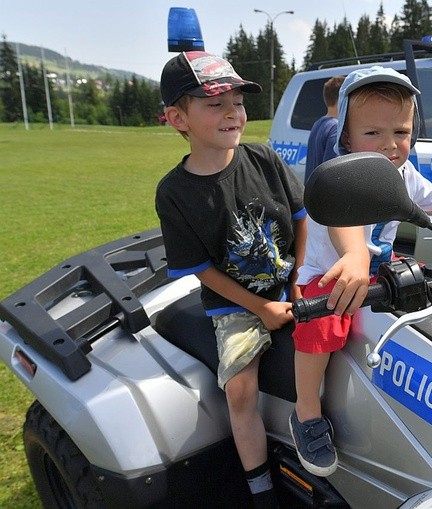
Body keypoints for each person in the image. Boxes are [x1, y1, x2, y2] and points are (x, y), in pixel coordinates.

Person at [289, 66, 432, 477]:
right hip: (331, 272)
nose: (389, 145)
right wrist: (356, 255)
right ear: (346, 136)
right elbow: (341, 220)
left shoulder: (403, 174)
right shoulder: (347, 171)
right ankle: (306, 412)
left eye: (400, 132)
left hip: (376, 269)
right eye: (373, 133)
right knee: (323, 329)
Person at [155, 51, 307, 508]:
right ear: (177, 118)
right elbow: (200, 267)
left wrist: (296, 285)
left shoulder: (264, 159)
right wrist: (260, 308)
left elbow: (301, 221)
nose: (233, 112)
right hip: (235, 305)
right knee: (240, 389)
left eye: (237, 101)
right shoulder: (174, 192)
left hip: (290, 286)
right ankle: (260, 485)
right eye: (214, 103)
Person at [304, 75, 344, 183]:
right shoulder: (336, 128)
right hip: (324, 196)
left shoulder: (318, 123)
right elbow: (331, 173)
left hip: (312, 193)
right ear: (342, 98)